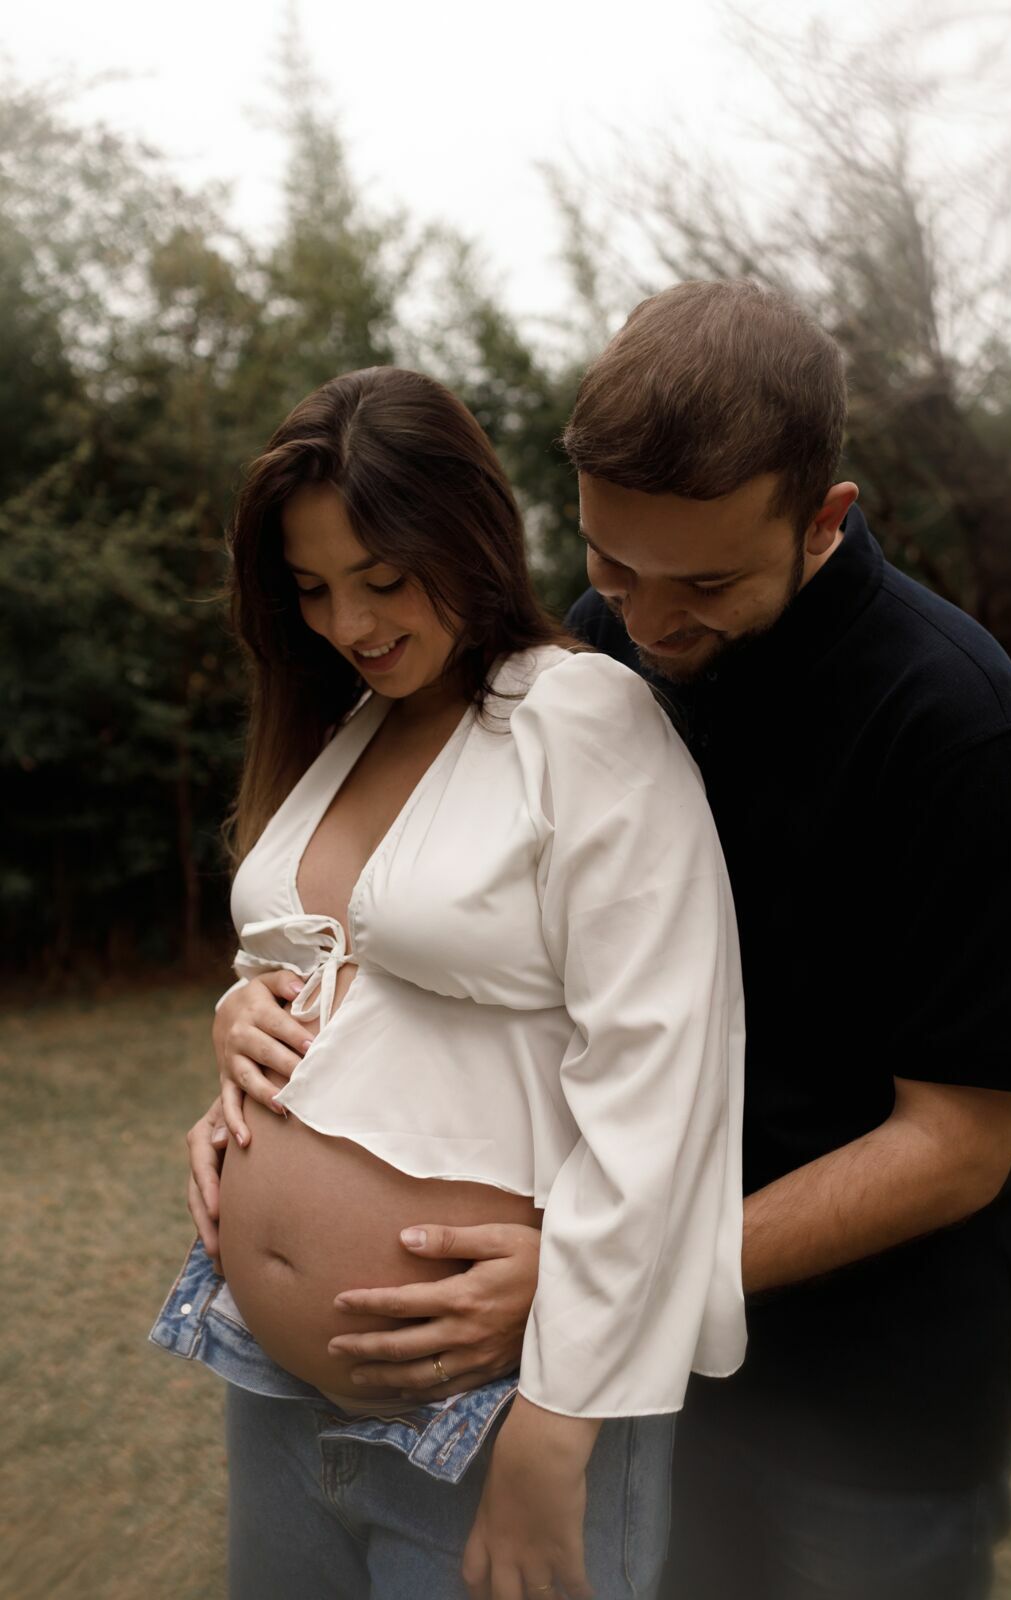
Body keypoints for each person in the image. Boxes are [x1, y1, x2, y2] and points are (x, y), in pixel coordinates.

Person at [192, 279, 1011, 1599]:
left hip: (860, 1390)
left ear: (820, 521)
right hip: (614, 1333)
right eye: (607, 565)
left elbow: (951, 1145)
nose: (644, 624)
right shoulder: (598, 658)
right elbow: (474, 958)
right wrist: (255, 1024)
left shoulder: (950, 725)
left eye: (703, 581)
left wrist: (593, 1285)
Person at [156, 364, 746, 1600]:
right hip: (273, 1391)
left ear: (469, 533)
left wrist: (554, 1427)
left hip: (496, 1405)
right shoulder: (356, 724)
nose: (349, 624)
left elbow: (661, 1087)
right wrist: (240, 1023)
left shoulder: (583, 721)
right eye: (312, 589)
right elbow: (334, 964)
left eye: (382, 579)